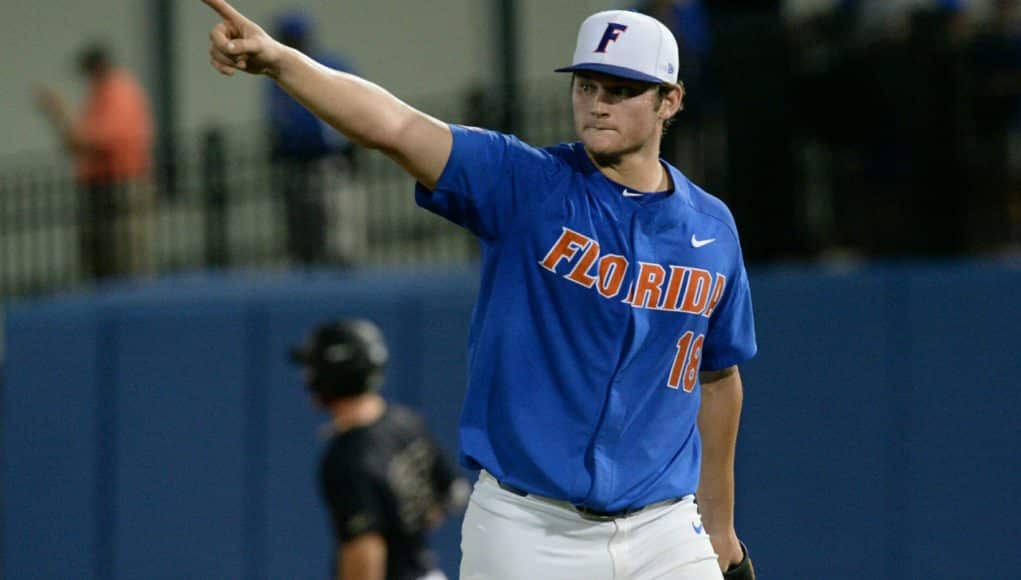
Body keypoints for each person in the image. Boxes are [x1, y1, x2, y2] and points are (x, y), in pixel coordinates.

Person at [204, 2, 757, 578]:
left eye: (620, 90)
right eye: (587, 85)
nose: (596, 104)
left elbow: (718, 379)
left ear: (670, 100)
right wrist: (281, 63)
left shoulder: (711, 230)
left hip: (663, 529)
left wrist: (718, 527)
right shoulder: (527, 185)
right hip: (530, 530)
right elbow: (394, 126)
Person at [290, 318, 468, 580]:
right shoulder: (405, 421)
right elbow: (455, 491)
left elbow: (365, 550)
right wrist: (408, 519)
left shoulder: (347, 457)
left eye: (312, 367)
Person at [35, 42, 155, 281]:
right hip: (100, 186)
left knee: (123, 259)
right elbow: (77, 143)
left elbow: (97, 141)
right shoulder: (99, 96)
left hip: (120, 186)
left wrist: (59, 112)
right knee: (99, 261)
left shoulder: (117, 92)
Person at [267, 11, 362, 267]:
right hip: (296, 165)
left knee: (339, 237)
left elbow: (353, 108)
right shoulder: (275, 78)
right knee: (302, 240)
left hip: (330, 161)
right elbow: (278, 123)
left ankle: (344, 284)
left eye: (295, 37)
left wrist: (351, 147)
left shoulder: (328, 65)